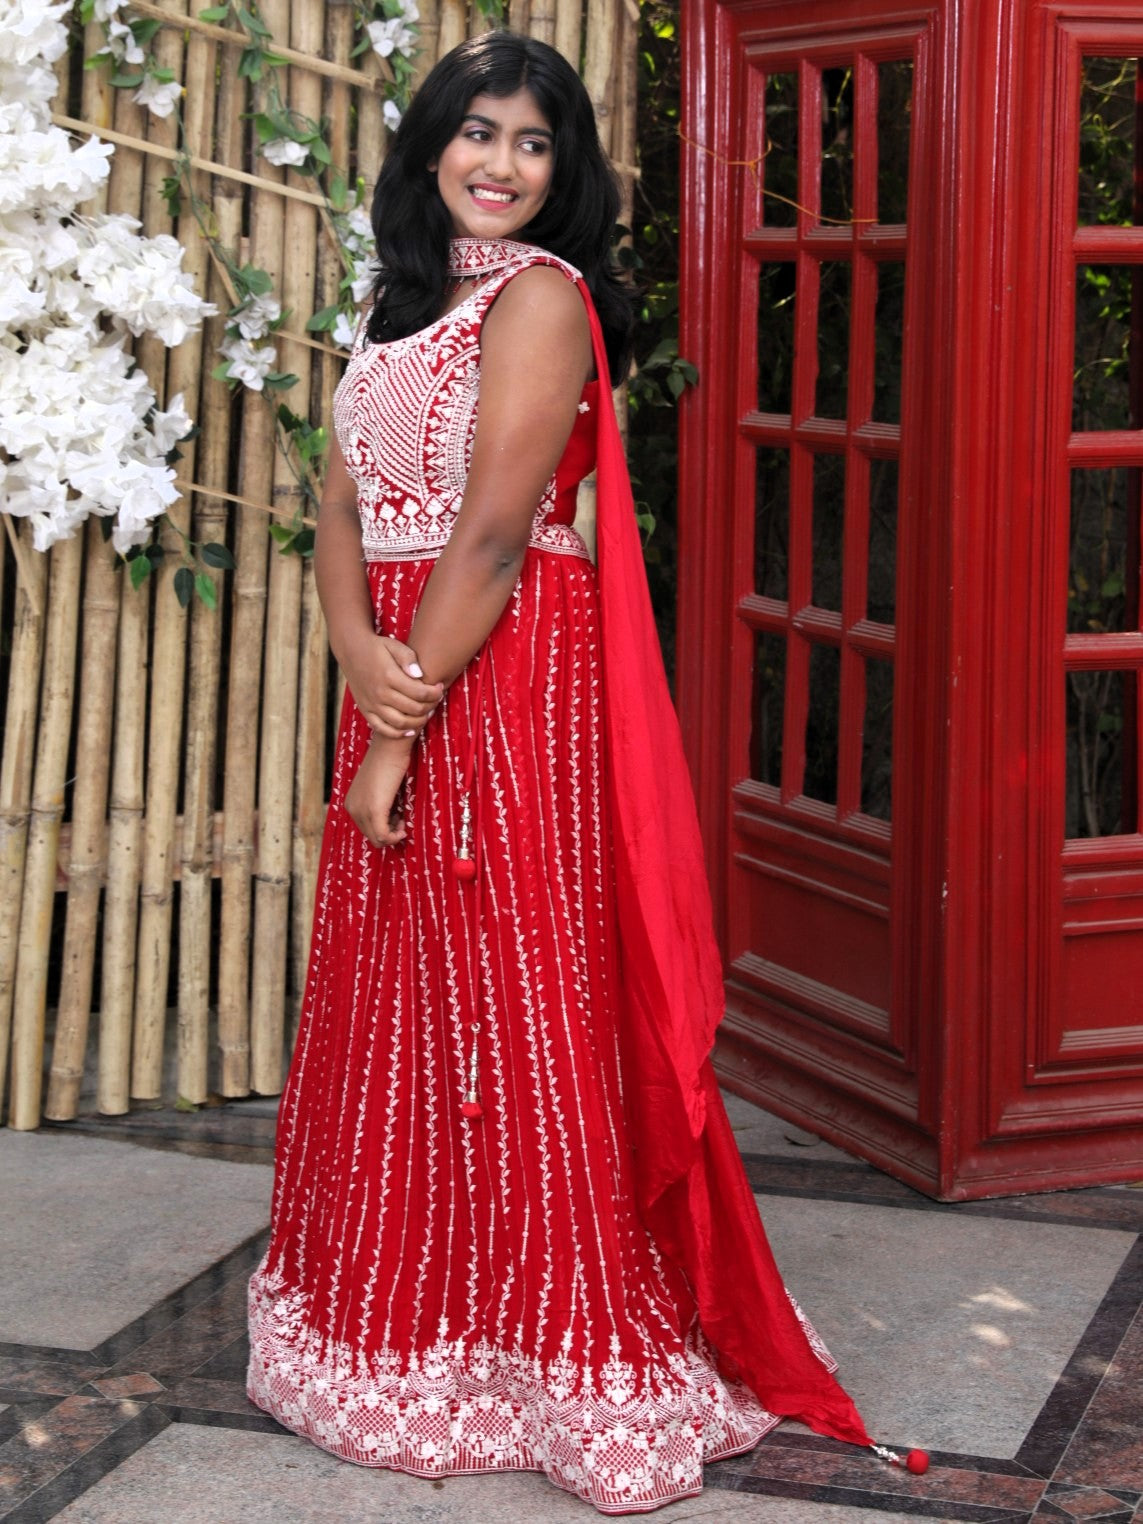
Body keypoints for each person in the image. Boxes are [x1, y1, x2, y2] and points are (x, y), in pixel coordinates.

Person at [247, 29, 913, 1514]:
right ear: (429, 149)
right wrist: (356, 650)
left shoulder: (542, 305)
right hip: (409, 665)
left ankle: (557, 1352)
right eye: (477, 134)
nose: (500, 164)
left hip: (501, 681)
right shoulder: (398, 302)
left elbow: (490, 535)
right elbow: (344, 506)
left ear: (566, 175)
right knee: (407, 1003)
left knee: (515, 995)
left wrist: (399, 720)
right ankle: (410, 1322)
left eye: (533, 144)